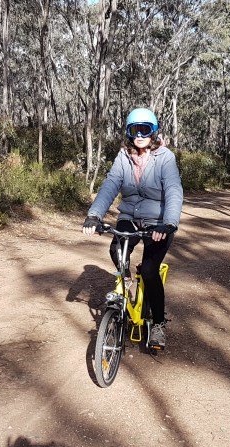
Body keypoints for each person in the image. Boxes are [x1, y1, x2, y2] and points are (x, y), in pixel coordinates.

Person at [82, 108, 183, 347]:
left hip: (158, 222)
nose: (139, 135)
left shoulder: (165, 158)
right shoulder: (123, 157)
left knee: (149, 271)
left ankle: (158, 324)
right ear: (129, 132)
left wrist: (169, 223)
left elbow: (173, 190)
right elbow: (110, 186)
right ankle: (126, 281)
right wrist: (94, 215)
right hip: (129, 216)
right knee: (117, 251)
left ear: (154, 131)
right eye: (134, 130)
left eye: (145, 129)